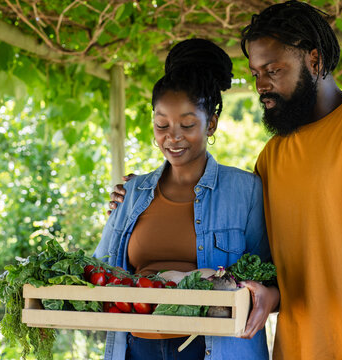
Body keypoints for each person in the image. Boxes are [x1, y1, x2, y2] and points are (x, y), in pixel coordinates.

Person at [111, 1, 342, 359]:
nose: (262, 85)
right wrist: (266, 293)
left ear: (315, 60)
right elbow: (281, 269)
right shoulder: (273, 156)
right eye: (255, 74)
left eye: (274, 70)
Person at [95, 38, 277, 360]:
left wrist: (267, 294)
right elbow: (100, 270)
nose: (173, 137)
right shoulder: (133, 193)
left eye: (188, 124)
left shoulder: (245, 191)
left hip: (215, 349)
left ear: (212, 124)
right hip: (138, 348)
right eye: (161, 124)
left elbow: (271, 275)